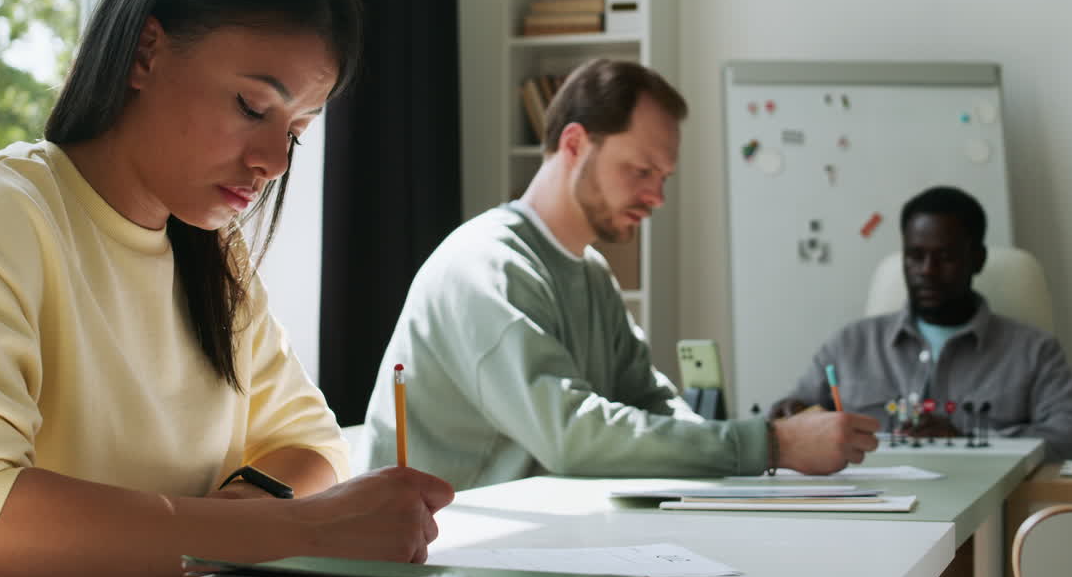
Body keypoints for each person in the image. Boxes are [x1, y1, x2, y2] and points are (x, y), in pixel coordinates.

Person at [0, 0, 453, 577]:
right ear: (145, 53)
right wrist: (290, 533)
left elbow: (313, 445)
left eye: (298, 131)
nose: (274, 161)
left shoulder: (215, 263)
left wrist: (232, 520)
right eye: (253, 107)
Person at [361, 58, 879, 490]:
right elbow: (570, 435)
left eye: (664, 177)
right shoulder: (486, 266)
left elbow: (651, 403)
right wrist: (772, 444)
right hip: (451, 559)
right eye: (642, 170)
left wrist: (745, 460)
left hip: (543, 544)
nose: (657, 197)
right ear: (574, 144)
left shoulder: (590, 273)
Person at [772, 186, 1072, 461]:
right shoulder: (850, 345)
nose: (926, 271)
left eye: (945, 258)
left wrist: (967, 439)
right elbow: (791, 419)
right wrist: (790, 418)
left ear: (977, 259)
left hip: (984, 525)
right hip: (870, 513)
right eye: (915, 256)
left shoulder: (1033, 351)